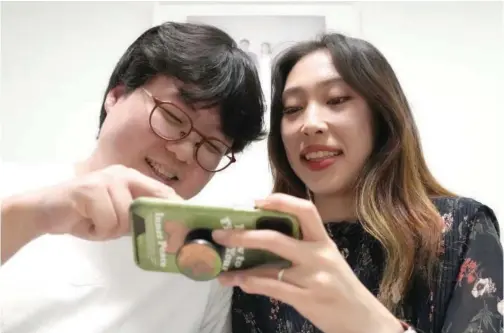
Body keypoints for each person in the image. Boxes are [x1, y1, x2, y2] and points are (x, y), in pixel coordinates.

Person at [210, 33, 503, 332]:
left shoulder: (459, 228)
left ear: (381, 116)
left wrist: (366, 320)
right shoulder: (266, 249)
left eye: (336, 100)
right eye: (292, 109)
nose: (309, 124)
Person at [0, 22, 265, 333]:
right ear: (116, 96)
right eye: (172, 117)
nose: (183, 152)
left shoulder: (202, 262)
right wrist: (33, 217)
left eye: (211, 147)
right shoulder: (11, 188)